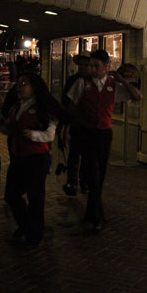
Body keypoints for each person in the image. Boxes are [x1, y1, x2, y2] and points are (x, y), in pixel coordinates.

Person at [65, 50, 141, 233]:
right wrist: (73, 126)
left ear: (106, 67)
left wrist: (122, 80)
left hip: (104, 134)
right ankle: (97, 217)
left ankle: (91, 214)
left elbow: (137, 96)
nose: (91, 68)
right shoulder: (82, 83)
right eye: (90, 65)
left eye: (95, 66)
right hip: (87, 132)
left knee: (100, 175)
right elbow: (70, 105)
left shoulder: (112, 85)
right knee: (94, 174)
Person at [0, 73, 67, 249]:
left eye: (24, 84)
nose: (20, 87)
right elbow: (12, 129)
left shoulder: (43, 108)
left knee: (35, 198)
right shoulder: (16, 107)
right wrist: (4, 128)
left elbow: (50, 134)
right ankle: (26, 224)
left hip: (36, 157)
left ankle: (33, 236)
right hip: (18, 156)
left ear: (34, 87)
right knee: (12, 194)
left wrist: (34, 135)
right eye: (19, 84)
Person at [61, 51, 92, 196]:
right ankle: (72, 182)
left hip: (89, 124)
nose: (83, 68)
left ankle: (85, 182)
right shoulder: (73, 80)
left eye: (86, 65)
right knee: (74, 154)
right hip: (76, 123)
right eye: (81, 65)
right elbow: (66, 102)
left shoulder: (93, 81)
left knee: (87, 156)